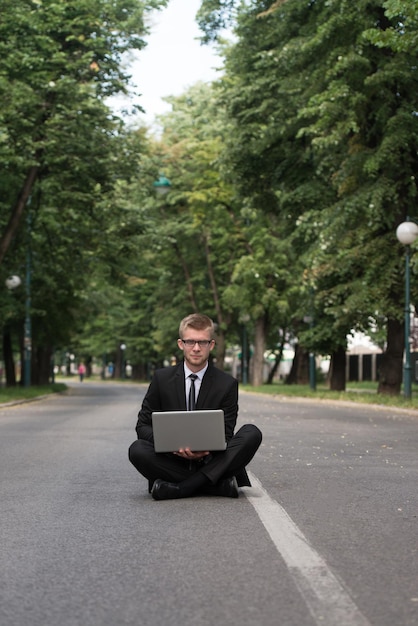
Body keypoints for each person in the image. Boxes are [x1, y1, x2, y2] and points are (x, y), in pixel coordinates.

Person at [128, 313, 262, 500]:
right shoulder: (161, 379)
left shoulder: (227, 384)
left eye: (203, 342)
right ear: (181, 344)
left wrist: (204, 450)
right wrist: (172, 445)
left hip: (212, 459)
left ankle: (181, 488)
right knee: (137, 449)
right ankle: (214, 486)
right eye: (190, 342)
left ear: (212, 345)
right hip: (171, 460)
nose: (196, 348)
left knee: (251, 433)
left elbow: (226, 432)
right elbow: (142, 426)